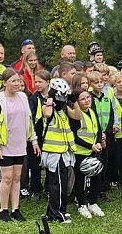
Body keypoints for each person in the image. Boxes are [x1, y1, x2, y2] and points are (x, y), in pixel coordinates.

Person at [0, 70, 39, 222]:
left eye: (18, 81)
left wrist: (33, 140)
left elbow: (29, 120)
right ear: (4, 83)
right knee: (7, 177)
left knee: (17, 177)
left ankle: (15, 209)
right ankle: (3, 209)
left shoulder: (23, 97)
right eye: (13, 81)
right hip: (5, 145)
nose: (17, 84)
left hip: (20, 144)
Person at [37, 78, 81, 223]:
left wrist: (73, 101)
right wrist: (50, 97)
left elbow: (77, 115)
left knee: (61, 183)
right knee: (57, 185)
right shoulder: (47, 107)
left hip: (63, 152)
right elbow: (47, 113)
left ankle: (55, 211)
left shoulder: (62, 111)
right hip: (54, 153)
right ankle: (57, 213)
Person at [70, 88, 105, 218]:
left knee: (96, 176)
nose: (87, 100)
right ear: (77, 102)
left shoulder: (92, 111)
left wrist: (97, 143)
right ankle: (81, 204)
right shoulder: (75, 116)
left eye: (88, 97)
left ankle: (93, 202)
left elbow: (98, 129)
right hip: (81, 152)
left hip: (94, 151)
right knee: (80, 179)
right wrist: (91, 146)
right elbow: (74, 136)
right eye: (83, 99)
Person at [89, 70, 114, 202]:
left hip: (106, 135)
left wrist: (106, 133)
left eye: (101, 82)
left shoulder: (106, 98)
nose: (99, 85)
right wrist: (99, 135)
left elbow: (110, 116)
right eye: (96, 82)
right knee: (95, 163)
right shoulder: (89, 98)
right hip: (95, 137)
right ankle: (93, 190)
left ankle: (102, 190)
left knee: (104, 163)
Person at [26, 70, 51, 198]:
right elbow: (30, 116)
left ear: (48, 82)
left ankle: (48, 188)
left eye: (40, 82)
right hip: (37, 134)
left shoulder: (54, 97)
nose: (37, 84)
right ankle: (35, 188)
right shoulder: (34, 97)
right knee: (35, 163)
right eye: (36, 81)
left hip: (51, 136)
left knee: (49, 163)